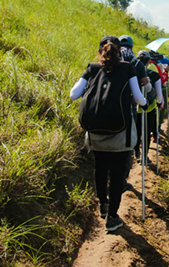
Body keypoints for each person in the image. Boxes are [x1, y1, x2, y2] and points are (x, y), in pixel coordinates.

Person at [70, 35, 147, 232]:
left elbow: (73, 95)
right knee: (117, 173)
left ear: (100, 51)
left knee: (101, 169)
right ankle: (112, 217)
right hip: (120, 132)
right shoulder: (127, 68)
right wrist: (145, 104)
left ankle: (102, 205)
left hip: (95, 132)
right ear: (120, 50)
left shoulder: (92, 69)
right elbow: (138, 98)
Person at [136, 50, 164, 162]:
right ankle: (144, 156)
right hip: (149, 108)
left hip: (135, 108)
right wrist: (158, 103)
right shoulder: (154, 75)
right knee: (146, 132)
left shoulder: (131, 73)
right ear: (149, 61)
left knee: (137, 131)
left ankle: (136, 151)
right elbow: (159, 95)